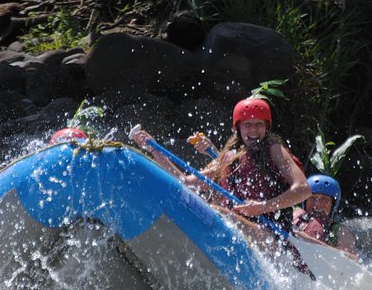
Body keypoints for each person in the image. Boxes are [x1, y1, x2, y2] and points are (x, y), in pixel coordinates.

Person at [131, 97, 311, 233]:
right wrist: (154, 150)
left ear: (267, 128)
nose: (254, 131)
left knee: (216, 212)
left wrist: (263, 206)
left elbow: (303, 189)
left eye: (259, 125)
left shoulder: (275, 150)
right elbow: (186, 182)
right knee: (200, 205)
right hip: (239, 229)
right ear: (238, 128)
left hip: (271, 235)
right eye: (248, 125)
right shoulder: (229, 158)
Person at [293, 174, 359, 261]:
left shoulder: (339, 231)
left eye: (325, 199)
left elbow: (353, 260)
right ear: (305, 201)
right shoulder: (295, 215)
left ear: (332, 206)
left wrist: (310, 241)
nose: (318, 204)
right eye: (313, 198)